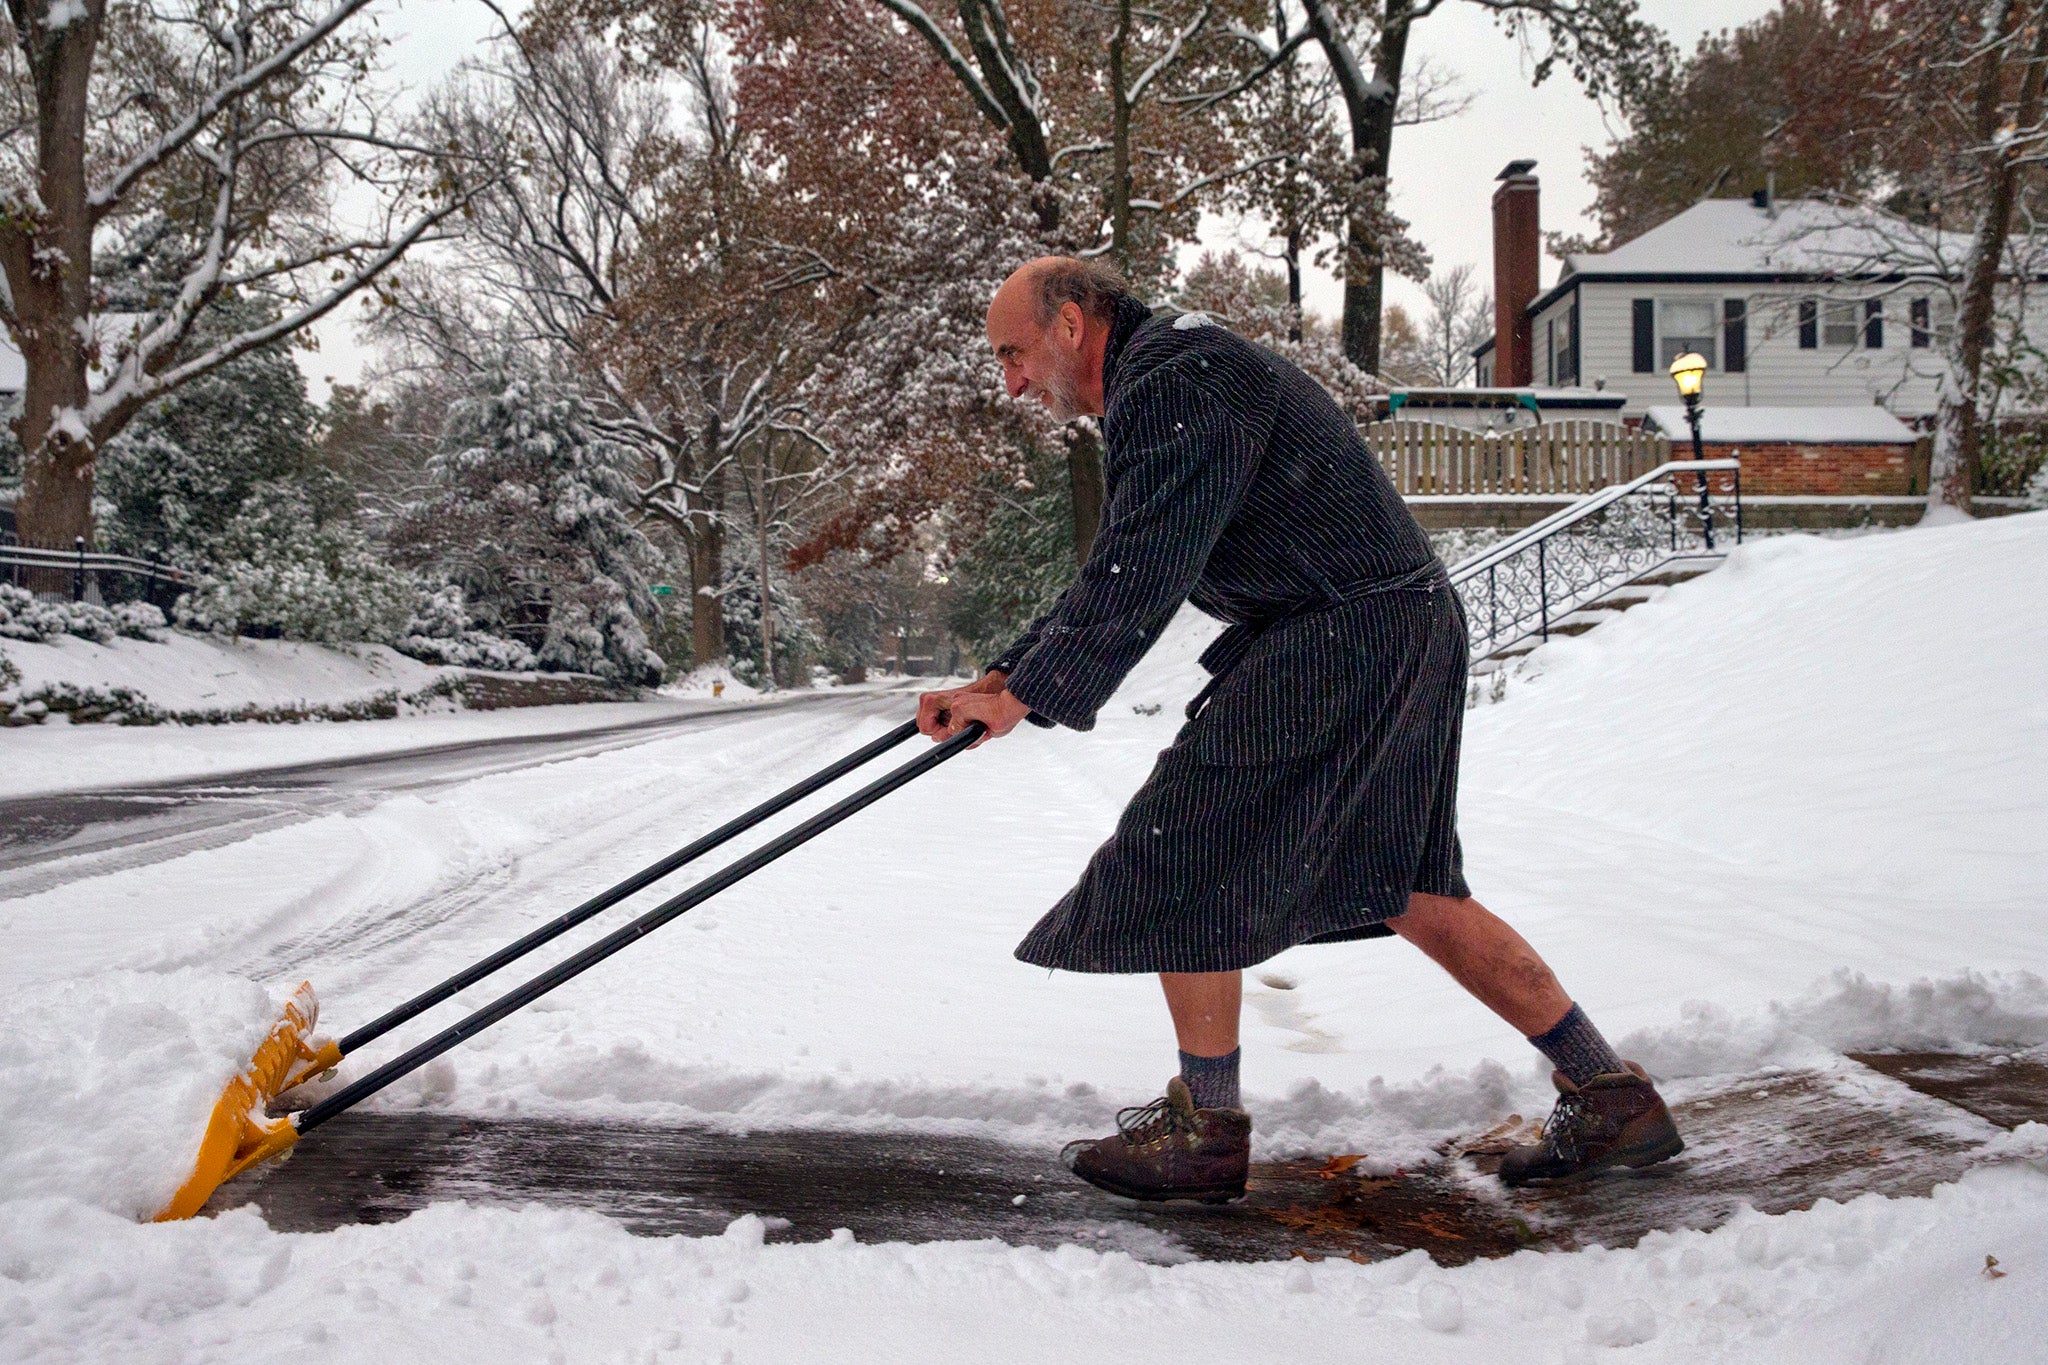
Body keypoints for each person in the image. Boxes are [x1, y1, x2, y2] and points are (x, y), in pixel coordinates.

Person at [918, 257, 1683, 1202]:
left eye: (1014, 353)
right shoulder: (1173, 378)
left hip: (1343, 633)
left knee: (1180, 845)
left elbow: (1144, 564)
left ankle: (1204, 1130)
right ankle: (1610, 1093)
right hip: (1386, 624)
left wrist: (1028, 688)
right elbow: (1124, 557)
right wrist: (1005, 676)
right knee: (1406, 884)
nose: (1013, 381)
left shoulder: (1177, 380)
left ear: (1071, 324)